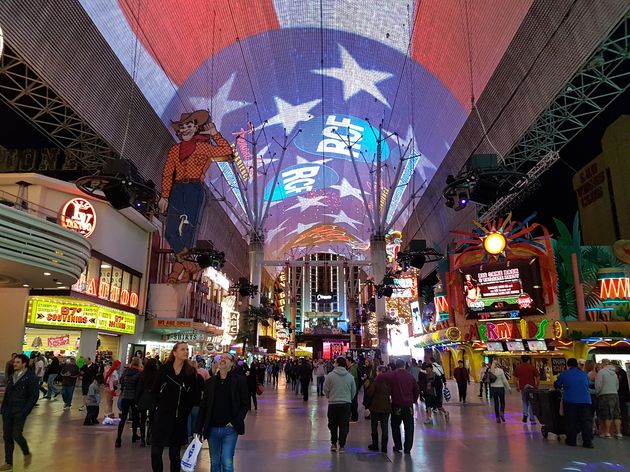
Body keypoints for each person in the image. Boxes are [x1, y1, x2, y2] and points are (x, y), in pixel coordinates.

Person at [159, 111, 233, 283]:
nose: (185, 129)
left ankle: (178, 275)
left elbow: (227, 151)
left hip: (194, 189)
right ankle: (189, 266)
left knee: (188, 234)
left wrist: (215, 133)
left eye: (189, 125)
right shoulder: (175, 149)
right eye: (182, 126)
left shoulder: (202, 147)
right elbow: (168, 173)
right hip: (177, 189)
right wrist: (164, 196)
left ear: (196, 128)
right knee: (170, 232)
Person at [150, 343, 201, 472]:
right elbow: (155, 390)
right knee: (156, 451)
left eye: (187, 349)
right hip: (162, 417)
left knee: (174, 454)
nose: (186, 352)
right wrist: (158, 407)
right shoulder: (164, 369)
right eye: (182, 349)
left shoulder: (190, 372)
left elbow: (194, 397)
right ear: (174, 353)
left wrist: (184, 412)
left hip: (179, 419)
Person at [195, 353, 249, 472]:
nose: (222, 360)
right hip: (212, 429)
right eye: (221, 358)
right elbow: (203, 406)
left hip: (230, 429)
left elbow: (245, 405)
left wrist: (235, 422)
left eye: (226, 358)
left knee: (227, 462)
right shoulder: (210, 382)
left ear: (232, 363)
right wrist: (198, 429)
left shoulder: (239, 381)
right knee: (214, 462)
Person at [0, 354, 38, 471]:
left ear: (24, 364)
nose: (14, 364)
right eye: (14, 362)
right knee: (7, 437)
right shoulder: (12, 376)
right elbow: (7, 393)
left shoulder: (30, 377)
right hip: (8, 410)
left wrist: (25, 411)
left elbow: (34, 396)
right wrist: (3, 408)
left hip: (20, 411)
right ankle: (8, 462)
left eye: (17, 362)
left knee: (16, 434)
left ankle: (26, 453)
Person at [380, 359, 420, 453]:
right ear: (404, 366)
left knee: (395, 425)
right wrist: (413, 400)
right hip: (409, 406)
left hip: (397, 405)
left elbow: (382, 377)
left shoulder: (393, 375)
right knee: (409, 427)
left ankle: (398, 446)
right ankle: (407, 449)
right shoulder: (410, 376)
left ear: (396, 366)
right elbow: (417, 390)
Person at [554, 358, 594, 448]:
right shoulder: (584, 374)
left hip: (571, 401)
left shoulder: (565, 374)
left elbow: (557, 384)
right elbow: (587, 385)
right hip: (585, 401)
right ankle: (588, 442)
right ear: (576, 364)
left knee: (571, 421)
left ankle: (572, 441)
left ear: (568, 365)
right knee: (586, 422)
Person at [324, 357, 356, 454]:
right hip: (346, 404)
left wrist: (329, 396)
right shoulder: (350, 377)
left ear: (337, 364)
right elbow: (353, 391)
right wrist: (348, 398)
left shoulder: (330, 376)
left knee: (332, 425)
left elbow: (326, 389)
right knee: (344, 425)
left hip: (333, 404)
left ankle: (333, 444)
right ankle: (342, 445)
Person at [363, 365, 391, 452]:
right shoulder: (389, 382)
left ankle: (375, 445)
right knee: (384, 426)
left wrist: (367, 386)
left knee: (374, 425)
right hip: (386, 407)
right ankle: (384, 447)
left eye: (377, 371)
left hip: (375, 407)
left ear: (379, 372)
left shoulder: (376, 381)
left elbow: (370, 393)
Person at [115, 357, 142, 448]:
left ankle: (118, 439)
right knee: (135, 417)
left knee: (123, 418)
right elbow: (139, 387)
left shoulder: (125, 372)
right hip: (134, 398)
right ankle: (134, 435)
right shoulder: (138, 373)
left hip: (125, 396)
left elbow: (122, 384)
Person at [595, 358, 622, 439]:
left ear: (603, 364)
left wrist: (597, 393)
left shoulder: (601, 372)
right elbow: (617, 385)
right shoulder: (614, 373)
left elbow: (598, 385)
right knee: (616, 414)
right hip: (615, 395)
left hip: (605, 395)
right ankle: (619, 433)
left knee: (607, 414)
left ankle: (607, 432)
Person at [136, 358, 159, 447]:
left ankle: (142, 439)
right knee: (152, 420)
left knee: (142, 419)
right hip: (153, 399)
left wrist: (137, 400)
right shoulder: (156, 375)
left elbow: (139, 388)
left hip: (143, 398)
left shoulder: (143, 374)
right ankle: (149, 437)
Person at [513, 355, 539, 424]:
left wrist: (517, 386)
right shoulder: (532, 367)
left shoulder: (518, 368)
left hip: (523, 388)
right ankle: (532, 418)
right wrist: (537, 385)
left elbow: (515, 378)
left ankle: (525, 414)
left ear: (521, 360)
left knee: (524, 401)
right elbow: (538, 376)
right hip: (531, 388)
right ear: (528, 360)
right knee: (531, 402)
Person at [488, 358, 511, 423]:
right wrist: (509, 388)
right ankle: (502, 412)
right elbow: (504, 380)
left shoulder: (490, 371)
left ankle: (497, 417)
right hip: (500, 388)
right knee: (502, 402)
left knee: (496, 403)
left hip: (493, 388)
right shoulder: (500, 371)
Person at [346, 357, 360, 422]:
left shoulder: (353, 368)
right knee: (353, 402)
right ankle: (353, 416)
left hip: (353, 388)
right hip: (353, 388)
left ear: (350, 361)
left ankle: (354, 417)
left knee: (354, 403)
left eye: (347, 361)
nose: (346, 362)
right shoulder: (352, 368)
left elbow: (353, 378)